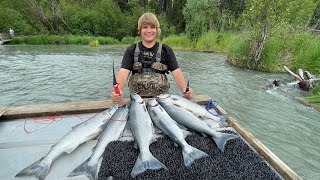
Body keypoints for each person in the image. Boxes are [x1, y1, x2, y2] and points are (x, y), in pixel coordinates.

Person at [112, 12, 193, 103]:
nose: (149, 31)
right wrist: (117, 92)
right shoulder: (131, 50)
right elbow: (123, 72)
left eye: (152, 27)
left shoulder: (166, 50)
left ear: (157, 30)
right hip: (138, 103)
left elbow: (176, 72)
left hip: (162, 102)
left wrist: (184, 89)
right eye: (145, 27)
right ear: (139, 30)